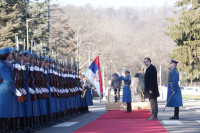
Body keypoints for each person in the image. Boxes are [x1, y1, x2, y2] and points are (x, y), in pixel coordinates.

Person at [0, 47, 16, 132]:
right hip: (5, 90)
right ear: (6, 55)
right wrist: (14, 89)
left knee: (8, 112)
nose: (11, 54)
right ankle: (3, 129)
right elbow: (8, 80)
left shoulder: (7, 64)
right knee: (4, 113)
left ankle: (7, 129)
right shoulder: (2, 65)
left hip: (8, 90)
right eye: (10, 53)